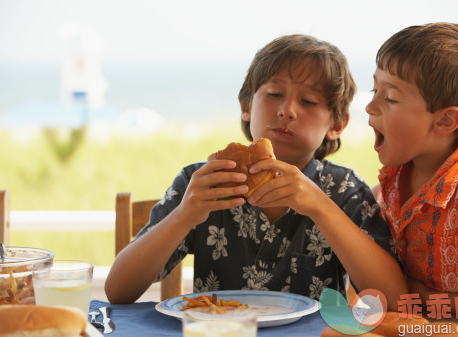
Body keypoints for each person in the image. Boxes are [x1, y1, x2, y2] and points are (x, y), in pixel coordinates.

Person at [105, 34, 407, 309]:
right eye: (274, 94)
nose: (287, 110)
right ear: (246, 106)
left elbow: (393, 301)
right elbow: (118, 291)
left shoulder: (344, 190)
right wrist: (185, 215)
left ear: (336, 125)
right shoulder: (204, 183)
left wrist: (320, 207)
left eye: (308, 101)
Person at [366, 22, 458, 311]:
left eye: (390, 98)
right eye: (374, 88)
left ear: (445, 121)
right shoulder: (389, 184)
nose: (370, 107)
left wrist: (419, 298)